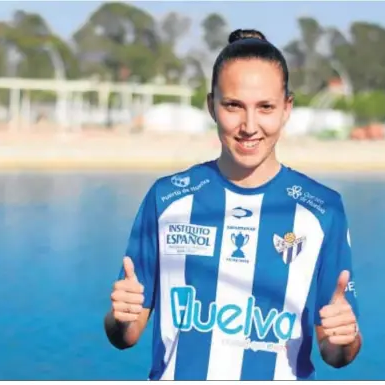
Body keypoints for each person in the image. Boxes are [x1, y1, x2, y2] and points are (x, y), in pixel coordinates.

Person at [104, 28, 362, 380]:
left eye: (266, 107)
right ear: (212, 105)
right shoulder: (166, 198)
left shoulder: (323, 210)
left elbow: (335, 352)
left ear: (287, 108)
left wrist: (344, 338)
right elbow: (126, 334)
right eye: (233, 106)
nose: (249, 126)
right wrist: (119, 317)